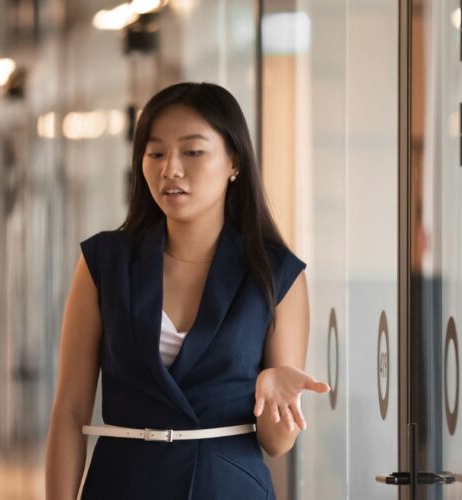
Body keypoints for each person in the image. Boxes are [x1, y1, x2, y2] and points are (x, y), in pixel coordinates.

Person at [45, 82, 329, 499]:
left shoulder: (275, 273)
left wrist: (274, 392)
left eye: (192, 152)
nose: (170, 169)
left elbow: (277, 444)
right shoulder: (104, 262)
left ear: (234, 161)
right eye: (155, 153)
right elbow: (70, 410)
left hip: (227, 488)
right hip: (122, 485)